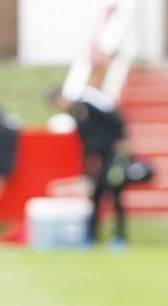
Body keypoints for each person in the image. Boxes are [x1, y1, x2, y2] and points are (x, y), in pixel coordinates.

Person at [51, 85, 128, 245]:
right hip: (95, 161)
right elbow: (86, 141)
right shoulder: (75, 115)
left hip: (111, 156)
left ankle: (120, 236)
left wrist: (121, 140)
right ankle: (92, 236)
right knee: (94, 196)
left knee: (115, 194)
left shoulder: (87, 106)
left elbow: (114, 119)